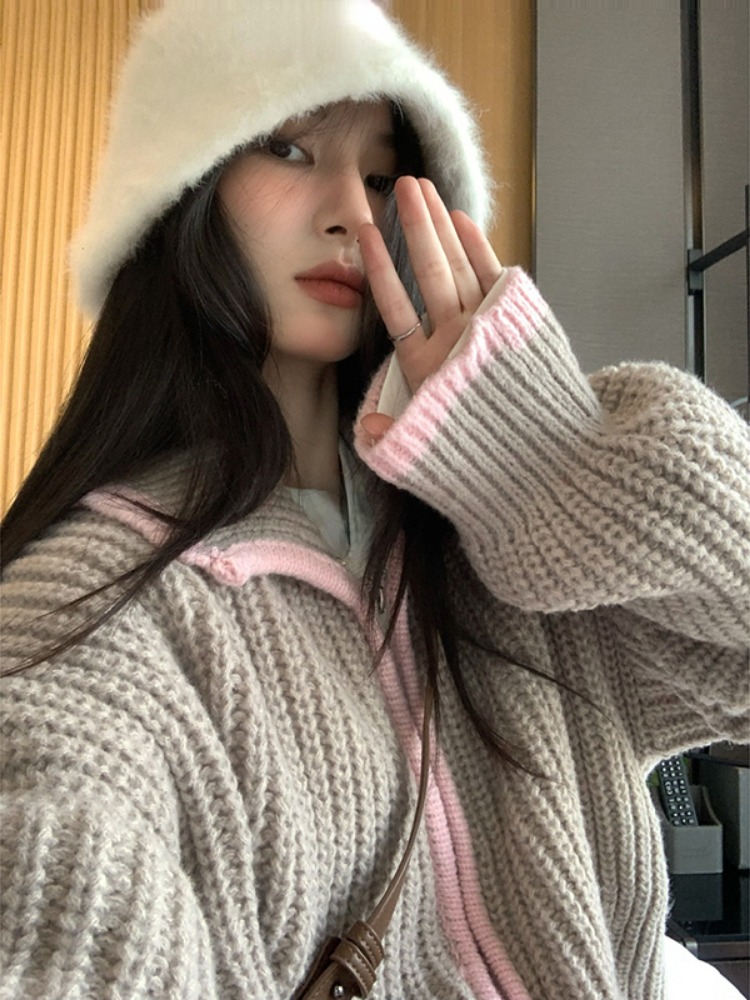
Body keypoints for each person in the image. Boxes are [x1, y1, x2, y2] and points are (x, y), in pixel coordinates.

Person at [1, 2, 748, 999]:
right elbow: (64, 882)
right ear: (180, 188)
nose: (354, 213)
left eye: (386, 174)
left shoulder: (513, 545)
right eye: (288, 146)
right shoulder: (96, 610)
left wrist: (545, 460)